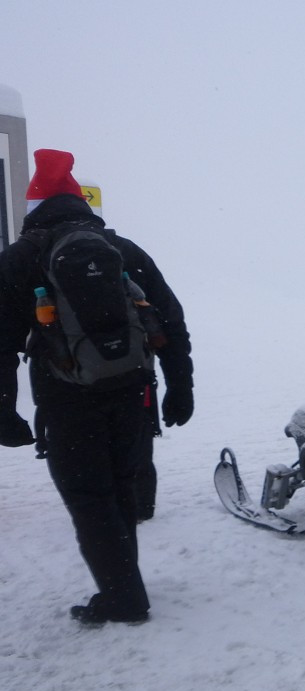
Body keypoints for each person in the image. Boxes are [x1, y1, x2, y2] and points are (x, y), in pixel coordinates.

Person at [0, 148, 194, 624]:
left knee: (90, 498)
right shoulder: (123, 251)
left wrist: (4, 408)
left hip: (67, 400)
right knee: (121, 489)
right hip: (133, 391)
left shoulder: (21, 258)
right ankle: (124, 583)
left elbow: (1, 340)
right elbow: (170, 318)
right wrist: (180, 384)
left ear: (35, 208)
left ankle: (123, 597)